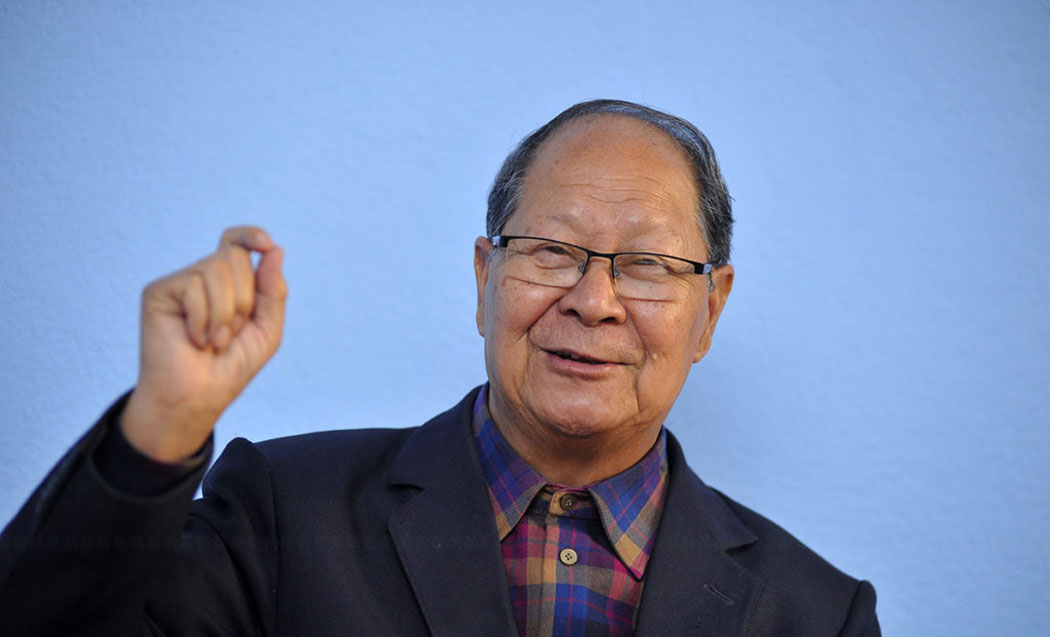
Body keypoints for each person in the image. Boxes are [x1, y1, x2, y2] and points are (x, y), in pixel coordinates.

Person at [0, 100, 880, 636]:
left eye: (647, 264)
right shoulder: (281, 510)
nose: (594, 299)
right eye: (551, 249)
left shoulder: (813, 612)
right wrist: (160, 428)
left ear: (710, 311)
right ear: (484, 277)